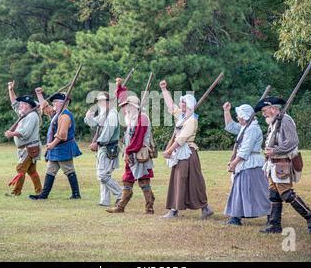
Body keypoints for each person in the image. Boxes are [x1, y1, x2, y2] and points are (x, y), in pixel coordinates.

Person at [255, 96, 311, 234]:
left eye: (265, 110)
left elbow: (292, 141)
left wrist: (275, 150)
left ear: (273, 109)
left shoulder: (285, 120)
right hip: (273, 164)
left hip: (283, 163)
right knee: (274, 194)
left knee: (286, 194)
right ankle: (274, 225)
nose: (263, 113)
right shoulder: (273, 122)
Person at [160, 80, 214, 219]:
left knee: (194, 182)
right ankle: (174, 210)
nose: (180, 104)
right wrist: (164, 90)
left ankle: (205, 208)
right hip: (180, 153)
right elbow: (171, 106)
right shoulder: (183, 116)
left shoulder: (192, 120)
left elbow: (181, 139)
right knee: (177, 180)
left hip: (188, 154)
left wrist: (169, 151)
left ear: (188, 105)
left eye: (183, 103)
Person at [106, 78, 155, 214]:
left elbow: (138, 140)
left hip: (139, 154)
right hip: (131, 154)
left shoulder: (142, 118)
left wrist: (128, 151)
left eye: (127, 106)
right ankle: (121, 207)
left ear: (133, 106)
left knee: (144, 181)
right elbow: (121, 97)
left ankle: (149, 207)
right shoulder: (132, 117)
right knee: (127, 179)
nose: (124, 108)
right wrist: (119, 86)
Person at [222, 102, 271, 225]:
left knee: (259, 193)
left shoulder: (252, 129)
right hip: (245, 164)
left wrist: (234, 163)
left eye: (239, 116)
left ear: (244, 117)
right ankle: (236, 217)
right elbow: (231, 126)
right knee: (239, 190)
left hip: (251, 164)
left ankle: (272, 216)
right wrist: (226, 111)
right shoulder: (245, 127)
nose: (238, 118)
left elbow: (245, 149)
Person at [29, 88, 82, 200]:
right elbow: (45, 107)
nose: (53, 104)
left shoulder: (65, 116)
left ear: (64, 103)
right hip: (56, 148)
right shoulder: (57, 113)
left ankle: (76, 194)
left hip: (63, 147)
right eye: (53, 102)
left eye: (56, 102)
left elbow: (62, 134)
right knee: (50, 171)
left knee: (69, 170)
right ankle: (44, 195)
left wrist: (52, 144)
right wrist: (39, 94)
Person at [4, 80, 42, 197]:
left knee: (20, 169)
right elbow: (14, 103)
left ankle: (16, 192)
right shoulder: (23, 113)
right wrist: (11, 89)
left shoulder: (32, 116)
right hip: (26, 148)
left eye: (23, 104)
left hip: (30, 148)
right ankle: (40, 191)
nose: (20, 105)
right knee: (31, 171)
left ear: (29, 106)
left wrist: (12, 134)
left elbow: (25, 132)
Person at [84, 91, 122, 207]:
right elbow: (94, 124)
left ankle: (121, 194)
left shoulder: (112, 114)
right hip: (104, 147)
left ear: (109, 102)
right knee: (103, 174)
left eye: (102, 100)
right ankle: (104, 200)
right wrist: (88, 117)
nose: (99, 103)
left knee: (103, 175)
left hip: (109, 147)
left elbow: (108, 132)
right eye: (98, 101)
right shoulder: (104, 113)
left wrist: (98, 143)